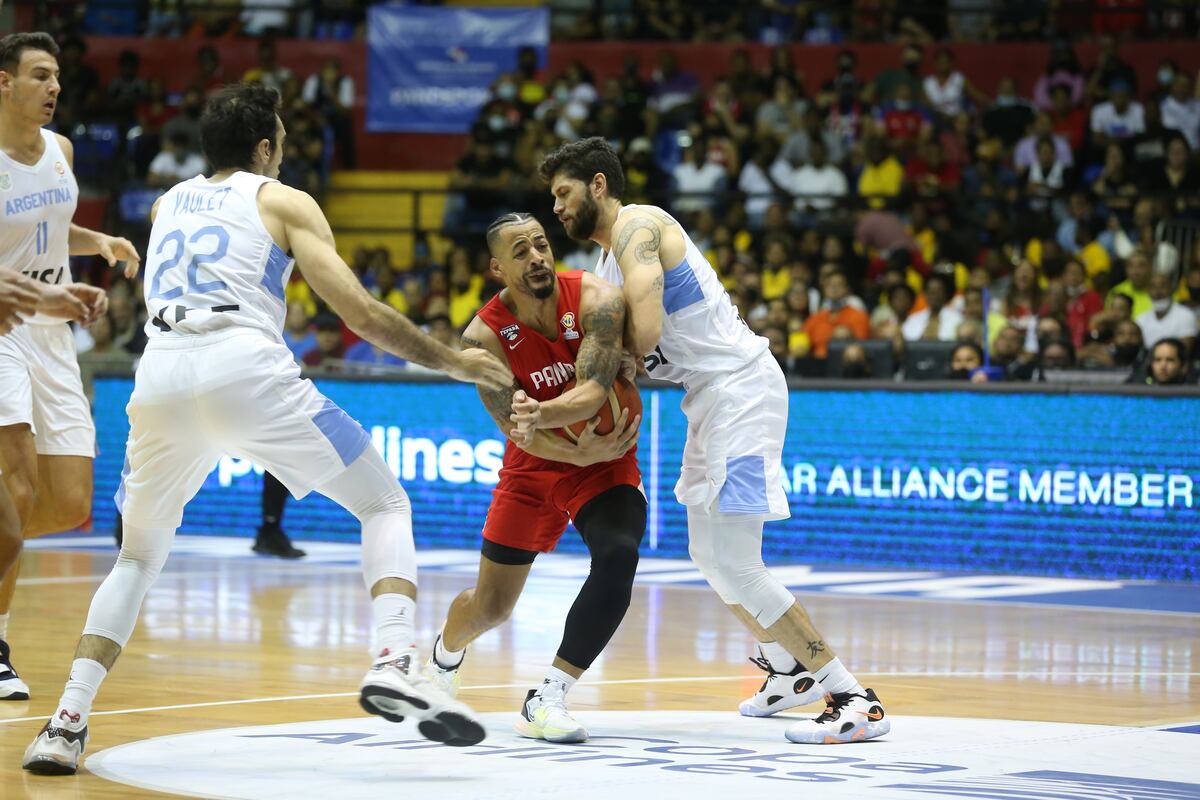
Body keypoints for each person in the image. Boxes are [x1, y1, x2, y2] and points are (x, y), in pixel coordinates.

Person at [22, 83, 512, 775]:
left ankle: (66, 723)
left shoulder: (166, 204)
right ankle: (397, 660)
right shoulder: (282, 200)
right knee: (383, 503)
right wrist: (454, 364)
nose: (284, 155)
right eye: (280, 142)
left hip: (157, 375)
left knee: (135, 560)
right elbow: (363, 316)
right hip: (241, 369)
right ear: (264, 148)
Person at [536, 137, 889, 745]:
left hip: (741, 391)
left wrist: (604, 372)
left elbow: (643, 327)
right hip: (709, 399)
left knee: (741, 564)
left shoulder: (639, 225)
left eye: (563, 194)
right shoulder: (601, 268)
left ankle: (853, 697)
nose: (557, 209)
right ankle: (785, 669)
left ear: (598, 184)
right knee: (708, 555)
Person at [424, 213, 644, 744]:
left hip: (603, 458)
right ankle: (442, 659)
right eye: (521, 251)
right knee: (490, 608)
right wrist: (547, 431)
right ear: (498, 267)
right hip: (533, 467)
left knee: (619, 554)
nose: (537, 257)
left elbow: (593, 390)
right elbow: (516, 432)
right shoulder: (483, 336)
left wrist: (550, 419)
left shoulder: (597, 299)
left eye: (542, 244)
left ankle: (547, 695)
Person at [0, 32, 142, 702]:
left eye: (57, 76)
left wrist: (99, 241)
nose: (54, 87)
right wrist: (47, 292)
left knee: (68, 503)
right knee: (16, 493)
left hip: (54, 337)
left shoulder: (62, 152)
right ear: (4, 83)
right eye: (39, 75)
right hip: (2, 329)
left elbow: (49, 229)